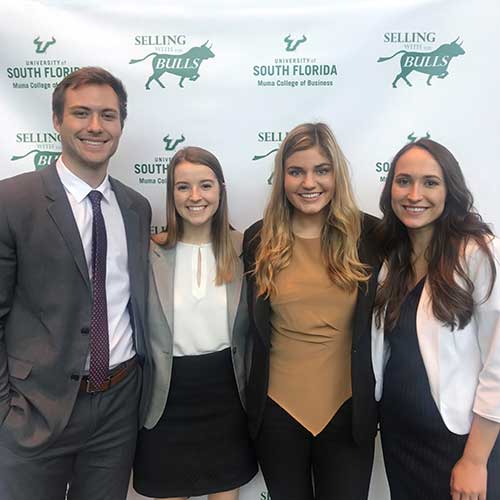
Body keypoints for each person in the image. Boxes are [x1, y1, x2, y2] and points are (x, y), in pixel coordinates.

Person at [0, 67, 152, 500]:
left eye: (108, 115)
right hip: (33, 409)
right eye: (81, 113)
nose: (95, 126)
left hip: (118, 405)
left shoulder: (136, 207)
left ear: (121, 125)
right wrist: (4, 412)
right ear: (56, 121)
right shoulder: (11, 201)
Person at [243, 122, 379, 500]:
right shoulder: (258, 238)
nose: (309, 183)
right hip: (276, 413)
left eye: (321, 170)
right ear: (282, 178)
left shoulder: (369, 236)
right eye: (296, 171)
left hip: (348, 412)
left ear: (337, 174)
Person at [372, 138, 500, 499]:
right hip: (400, 436)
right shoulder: (390, 258)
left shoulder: (479, 253)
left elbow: (499, 361)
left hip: (459, 441)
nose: (414, 194)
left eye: (430, 182)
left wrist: (475, 461)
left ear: (450, 191)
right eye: (403, 181)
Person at [133, 146, 257, 500]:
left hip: (228, 398)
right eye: (183, 187)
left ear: (221, 189)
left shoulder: (247, 247)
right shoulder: (148, 252)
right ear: (171, 193)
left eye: (205, 185)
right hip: (166, 403)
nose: (195, 196)